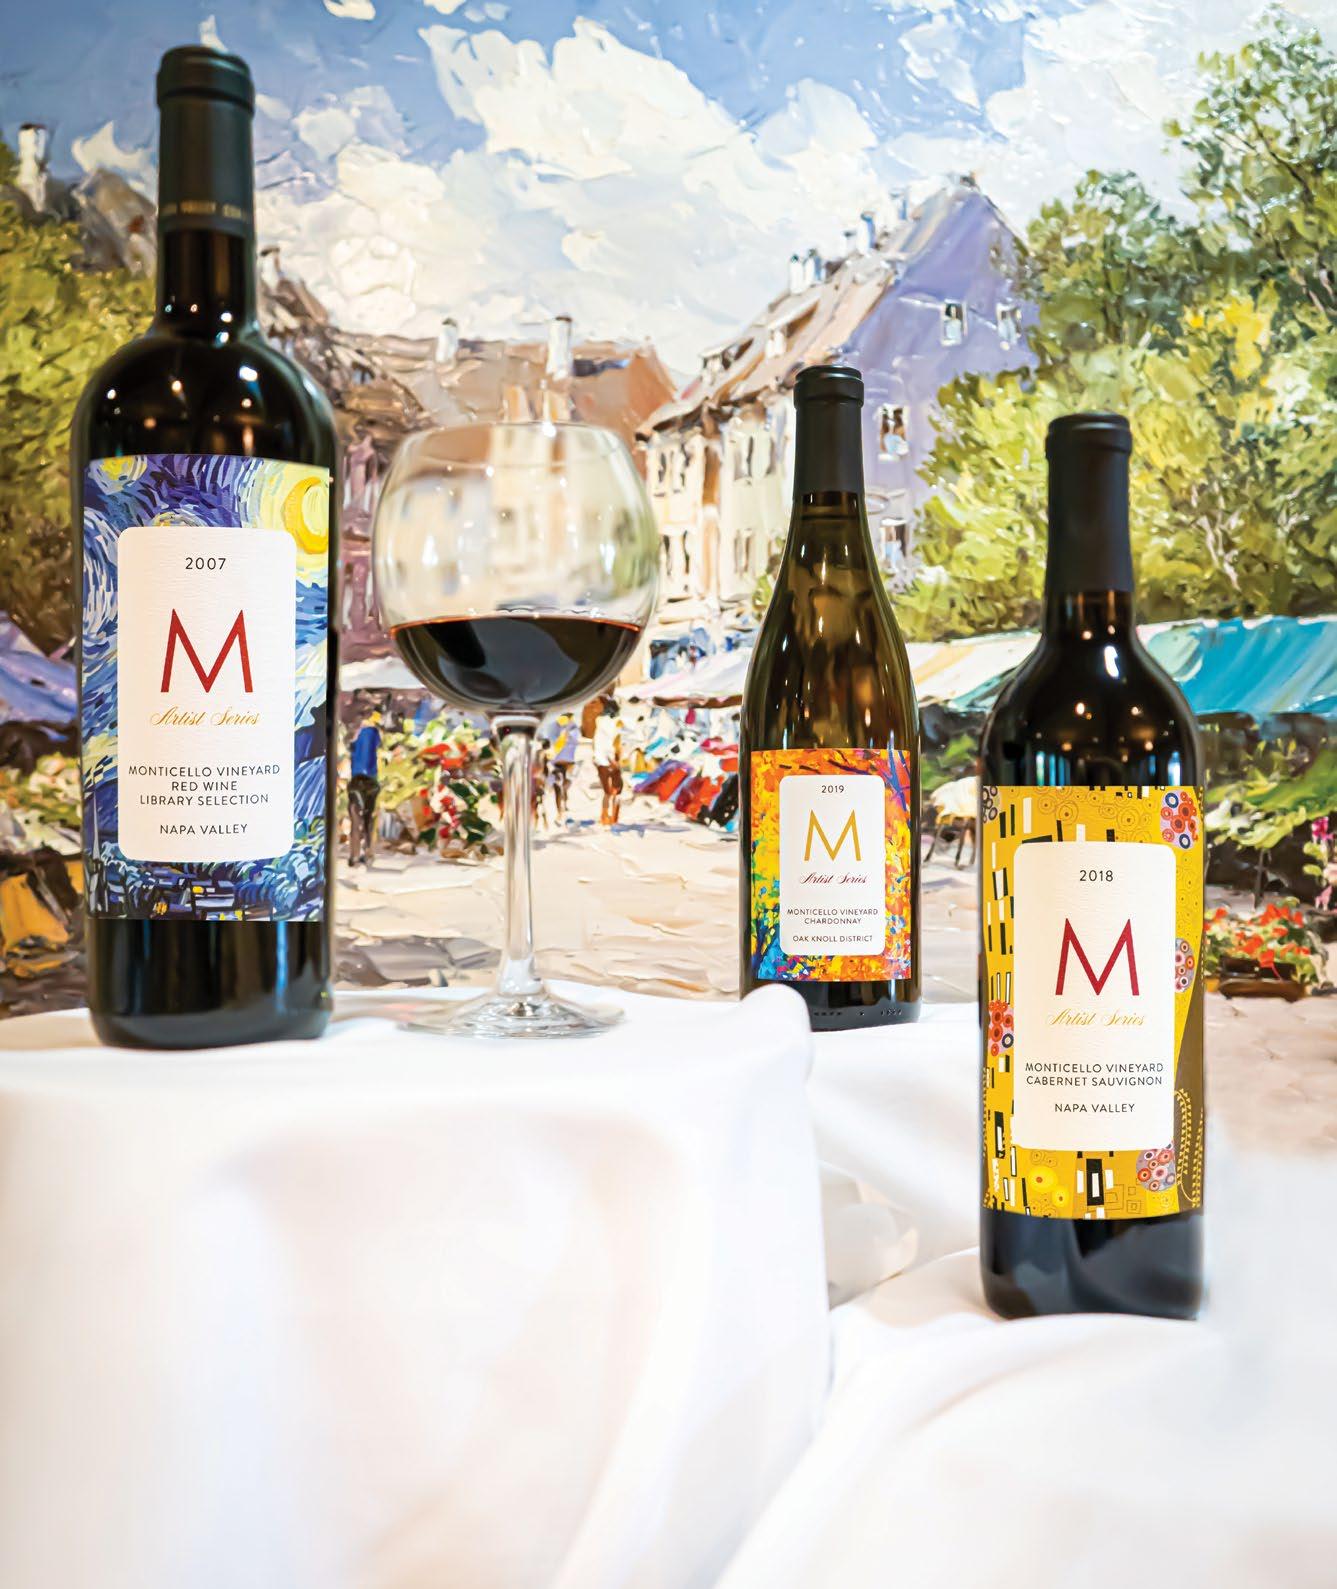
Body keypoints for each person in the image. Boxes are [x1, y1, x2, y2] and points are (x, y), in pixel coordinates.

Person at [347, 709, 383, 867]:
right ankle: (367, 853)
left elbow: (348, 746)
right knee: (368, 819)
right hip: (371, 780)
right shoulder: (375, 732)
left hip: (356, 779)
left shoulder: (352, 732)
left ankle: (354, 855)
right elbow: (379, 746)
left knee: (355, 819)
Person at [592, 697, 623, 826]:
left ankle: (605, 817)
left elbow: (598, 744)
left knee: (608, 792)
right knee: (615, 791)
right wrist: (613, 761)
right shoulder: (611, 724)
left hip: (602, 761)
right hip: (607, 760)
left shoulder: (601, 723)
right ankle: (612, 818)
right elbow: (610, 743)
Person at [549, 712, 579, 821]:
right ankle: (561, 810)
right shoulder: (569, 728)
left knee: (561, 787)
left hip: (561, 762)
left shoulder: (569, 728)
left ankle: (562, 810)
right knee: (562, 787)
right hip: (564, 762)